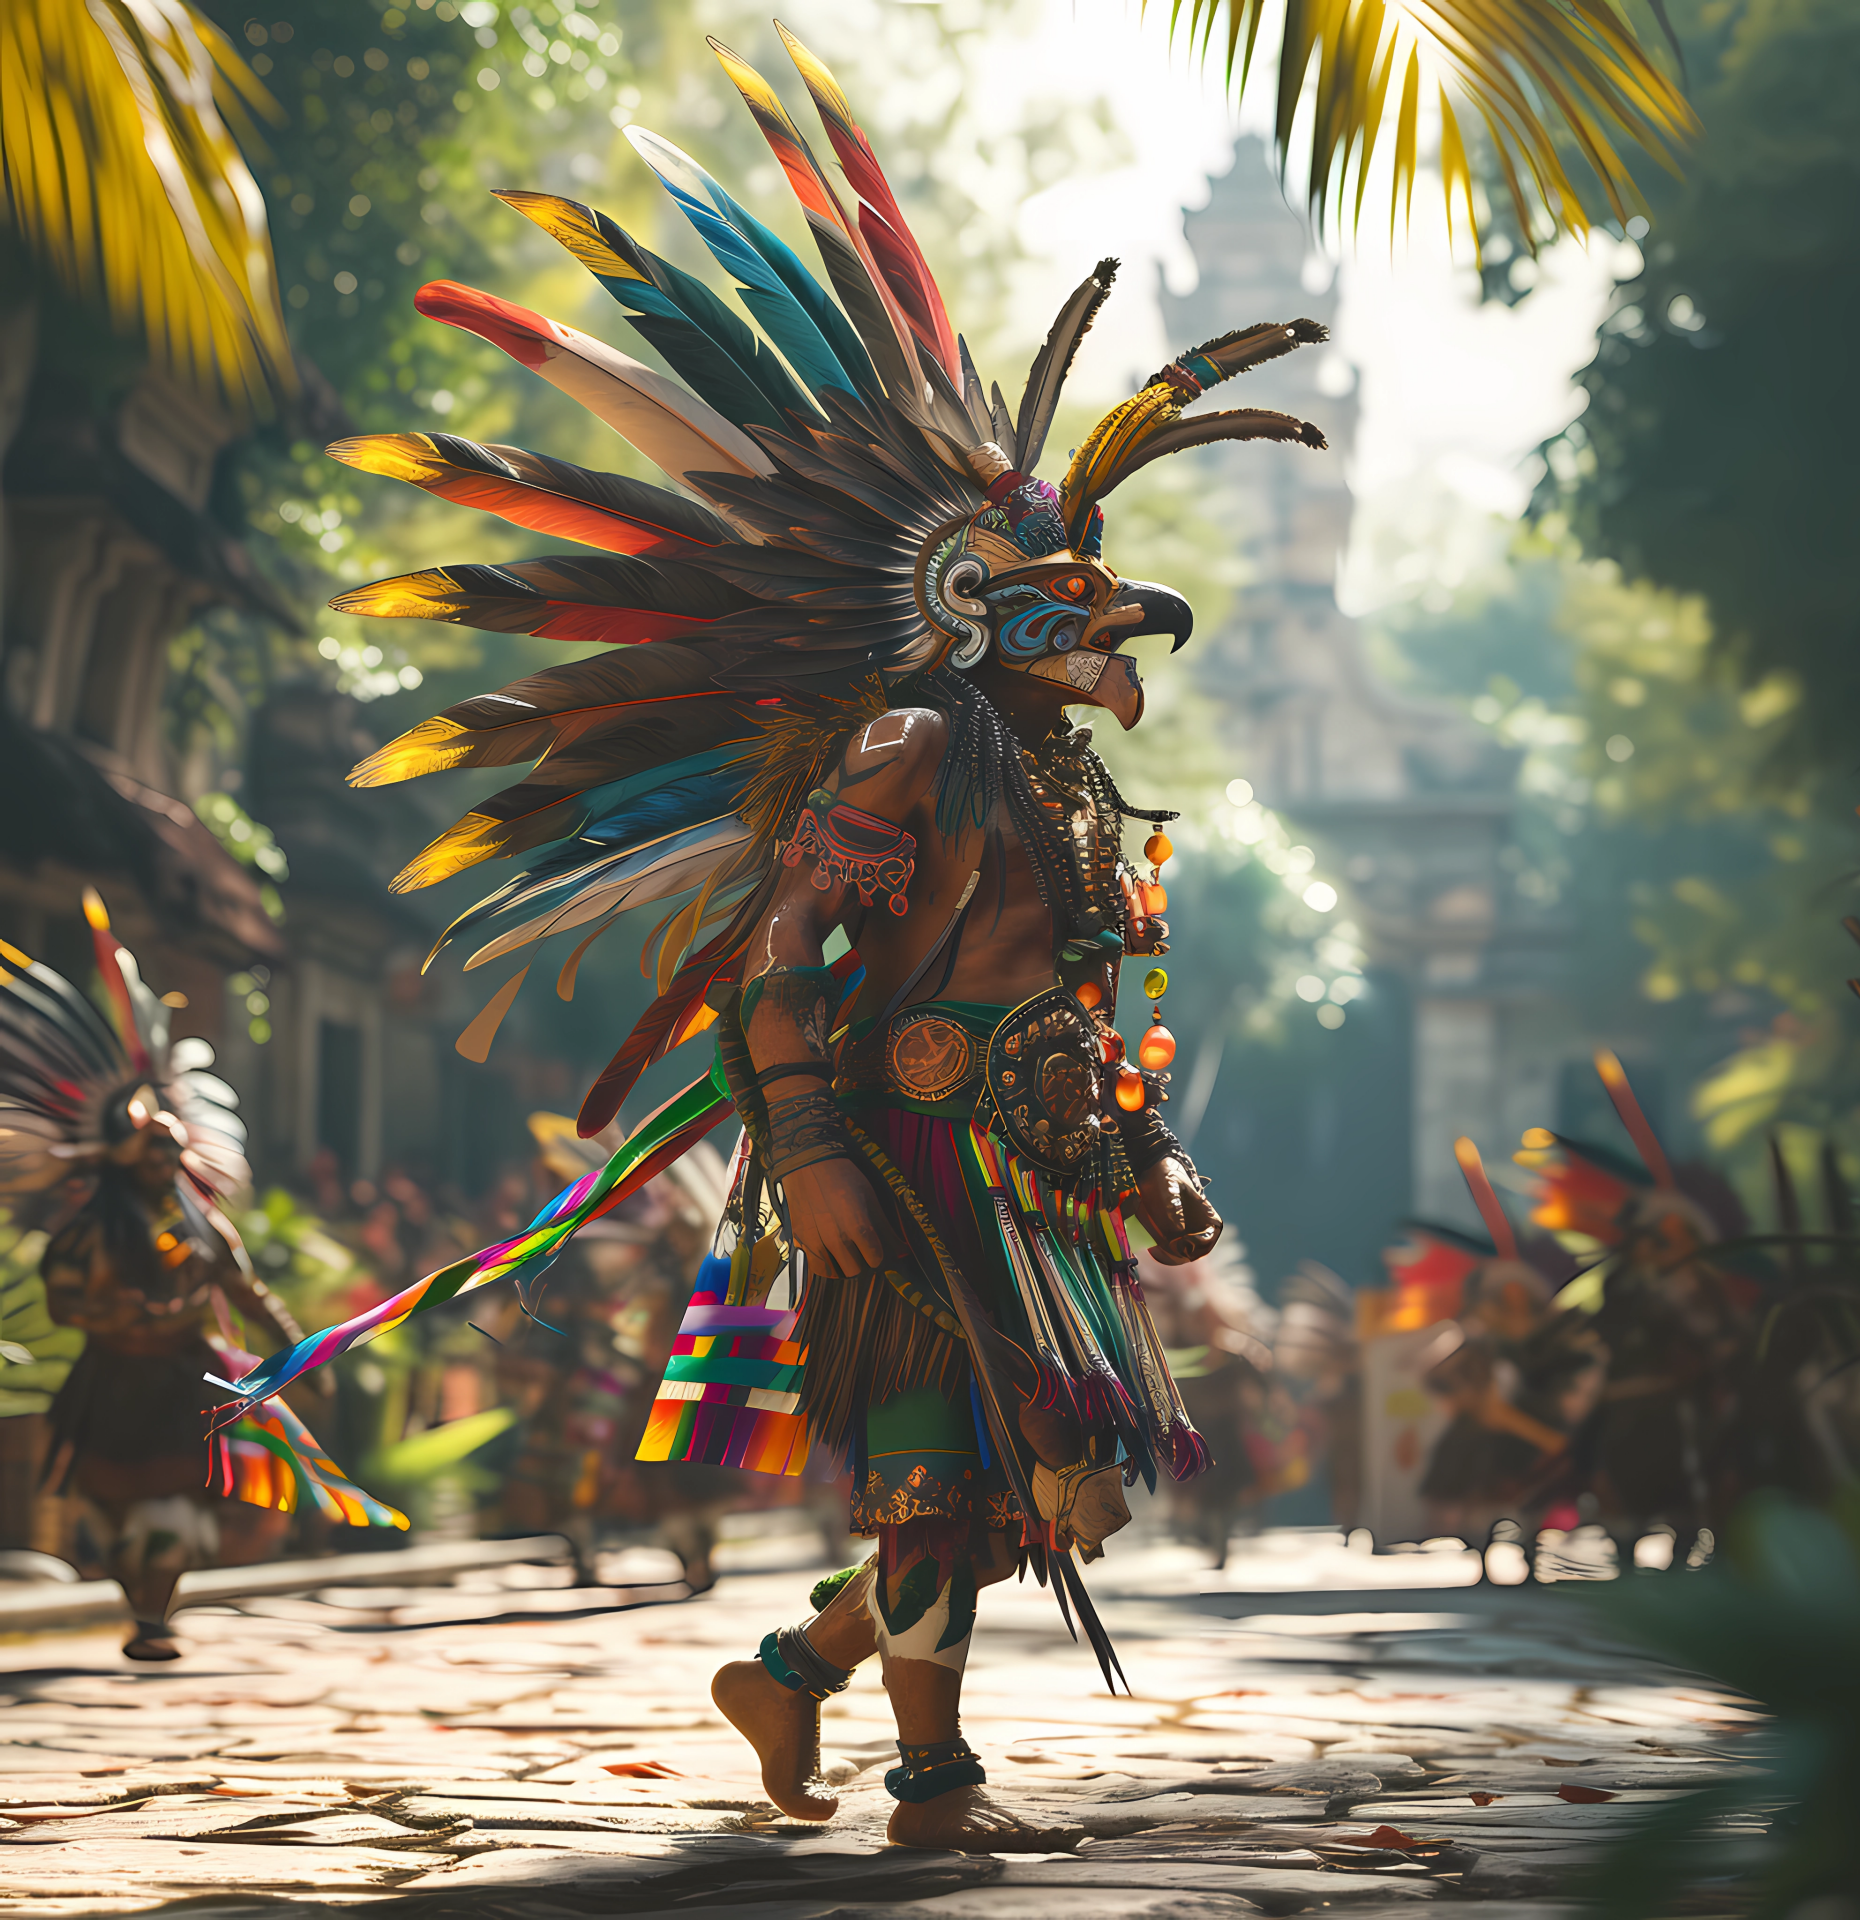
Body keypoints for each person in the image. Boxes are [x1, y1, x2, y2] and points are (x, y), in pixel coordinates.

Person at [219, 26, 1329, 1847]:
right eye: (1069, 604)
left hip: (1022, 1152)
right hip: (895, 1152)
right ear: (970, 608)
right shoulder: (912, 741)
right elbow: (775, 957)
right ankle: (934, 1783)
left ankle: (797, 1680)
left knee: (1025, 1482)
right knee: (933, 1478)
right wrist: (803, 1143)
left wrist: (1144, 1157)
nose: (1119, 629)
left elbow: (1060, 998)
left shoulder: (1045, 771)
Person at [0, 895, 402, 1658]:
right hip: (111, 1382)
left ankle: (155, 1616)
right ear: (119, 1156)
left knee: (174, 1512)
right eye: (150, 1153)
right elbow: (63, 1301)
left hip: (187, 1383)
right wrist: (116, 1317)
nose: (163, 1164)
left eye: (170, 1153)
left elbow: (250, 1293)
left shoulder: (203, 1226)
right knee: (114, 1516)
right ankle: (141, 1607)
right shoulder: (87, 1232)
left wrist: (298, 1357)